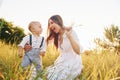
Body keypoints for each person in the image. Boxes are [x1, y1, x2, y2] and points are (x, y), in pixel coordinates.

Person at [46, 15, 83, 80]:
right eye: (49, 24)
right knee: (49, 74)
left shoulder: (71, 32)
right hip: (62, 61)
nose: (50, 26)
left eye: (52, 23)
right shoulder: (56, 36)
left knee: (59, 77)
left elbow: (78, 51)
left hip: (73, 61)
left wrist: (69, 36)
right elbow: (45, 43)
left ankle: (78, 72)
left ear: (58, 21)